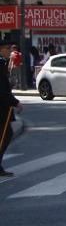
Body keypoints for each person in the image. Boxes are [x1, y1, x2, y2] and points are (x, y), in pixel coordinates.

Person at [0, 42, 21, 178]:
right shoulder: (1, 63)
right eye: (7, 48)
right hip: (2, 107)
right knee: (5, 135)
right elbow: (2, 88)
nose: (10, 51)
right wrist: (14, 102)